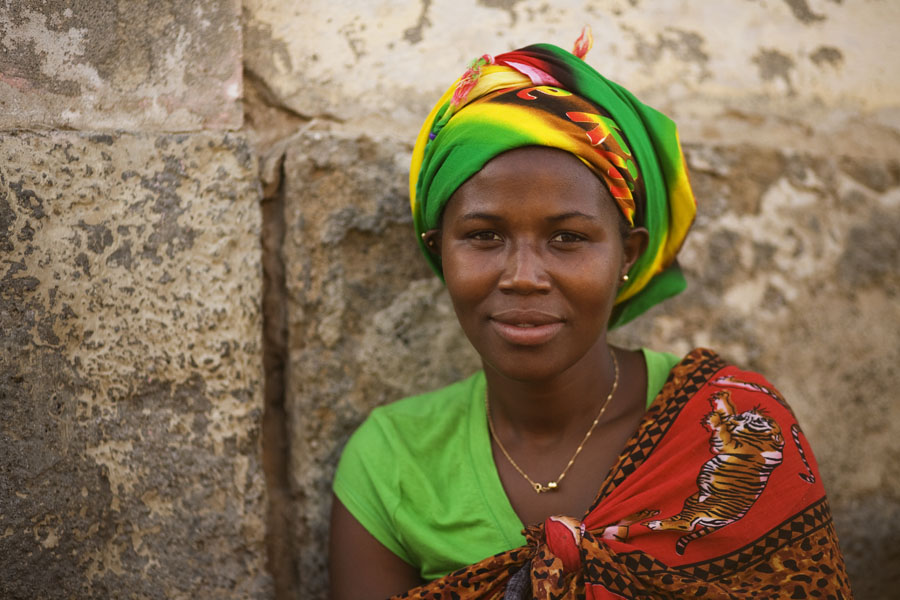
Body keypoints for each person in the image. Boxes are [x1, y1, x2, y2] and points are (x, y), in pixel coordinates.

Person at [329, 29, 852, 600]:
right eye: (484, 235)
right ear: (440, 250)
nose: (524, 275)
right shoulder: (393, 462)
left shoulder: (736, 430)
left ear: (626, 253)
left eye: (568, 237)